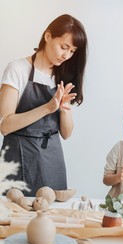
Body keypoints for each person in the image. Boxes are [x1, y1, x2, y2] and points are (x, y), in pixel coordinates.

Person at [0, 14, 88, 196]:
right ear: (48, 36)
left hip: (52, 158)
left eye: (72, 51)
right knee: (17, 217)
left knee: (53, 217)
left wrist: (63, 109)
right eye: (64, 47)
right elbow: (5, 125)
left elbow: (66, 133)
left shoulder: (63, 74)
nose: (67, 55)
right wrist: (47, 108)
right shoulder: (17, 69)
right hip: (18, 156)